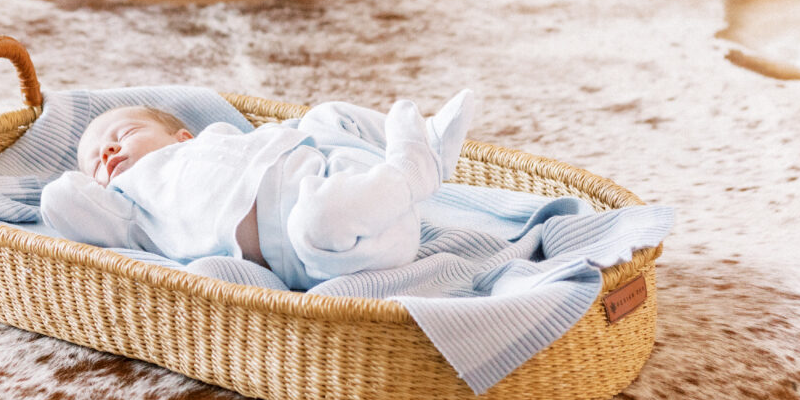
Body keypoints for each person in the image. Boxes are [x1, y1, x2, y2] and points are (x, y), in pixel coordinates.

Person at [39, 90, 474, 290]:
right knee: (318, 218)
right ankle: (412, 170)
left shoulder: (216, 139)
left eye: (124, 132)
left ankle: (427, 141)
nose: (109, 149)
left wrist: (316, 133)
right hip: (334, 246)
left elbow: (282, 134)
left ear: (182, 138)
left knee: (325, 115)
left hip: (338, 170)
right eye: (95, 160)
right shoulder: (132, 207)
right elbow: (60, 200)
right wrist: (96, 176)